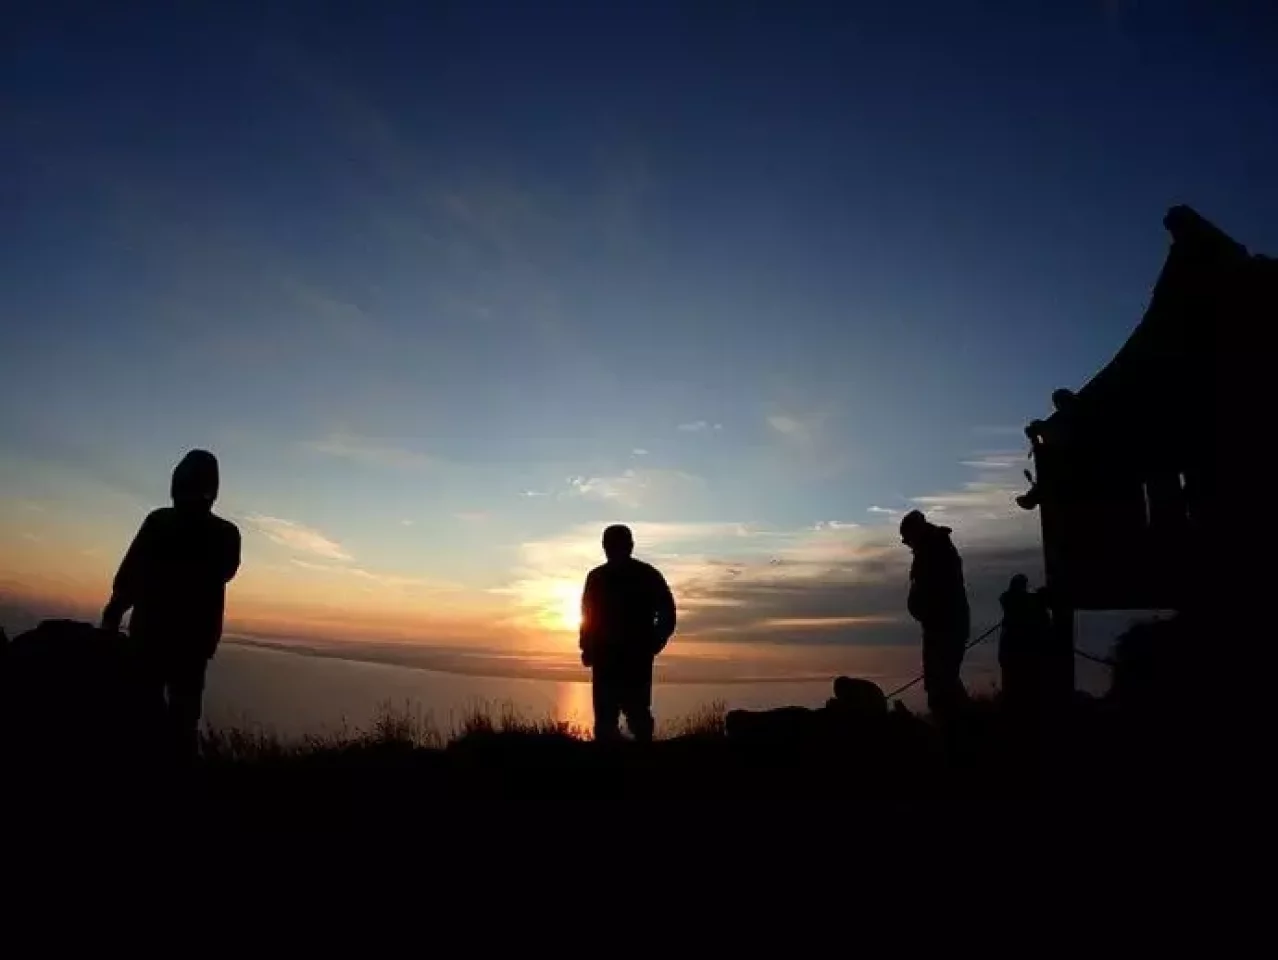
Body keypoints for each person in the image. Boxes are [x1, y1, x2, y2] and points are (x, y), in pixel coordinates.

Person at [101, 450, 241, 762]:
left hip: (153, 634)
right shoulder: (226, 534)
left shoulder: (160, 522)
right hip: (194, 642)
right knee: (182, 719)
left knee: (143, 711)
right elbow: (227, 570)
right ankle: (177, 782)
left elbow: (131, 574)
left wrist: (113, 612)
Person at [579, 524, 676, 742]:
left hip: (633, 658)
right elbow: (587, 616)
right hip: (610, 658)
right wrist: (587, 646)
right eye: (609, 545)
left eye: (615, 544)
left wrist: (654, 642)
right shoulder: (598, 577)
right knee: (609, 720)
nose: (611, 549)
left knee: (636, 717)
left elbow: (667, 612)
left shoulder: (645, 575)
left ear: (629, 546)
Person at [900, 509, 970, 717]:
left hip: (944, 629)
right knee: (943, 682)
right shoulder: (933, 549)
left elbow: (937, 592)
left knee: (941, 686)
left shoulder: (934, 551)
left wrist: (925, 610)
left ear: (916, 533)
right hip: (940, 627)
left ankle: (957, 735)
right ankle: (961, 729)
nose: (907, 544)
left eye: (906, 539)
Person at [998, 574, 1051, 711]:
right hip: (1018, 653)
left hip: (1016, 653)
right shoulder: (1019, 602)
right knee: (1018, 686)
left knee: (1017, 687)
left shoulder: (1014, 601)